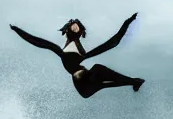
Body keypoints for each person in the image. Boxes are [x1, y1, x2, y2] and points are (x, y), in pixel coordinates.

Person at [9, 14, 145, 98]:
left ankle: (135, 81)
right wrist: (17, 30)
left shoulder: (81, 53)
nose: (75, 27)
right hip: (83, 87)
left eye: (77, 26)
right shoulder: (61, 51)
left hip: (88, 81)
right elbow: (37, 41)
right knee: (102, 80)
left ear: (80, 31)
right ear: (68, 28)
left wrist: (128, 22)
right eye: (73, 26)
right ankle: (134, 81)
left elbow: (113, 42)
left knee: (99, 72)